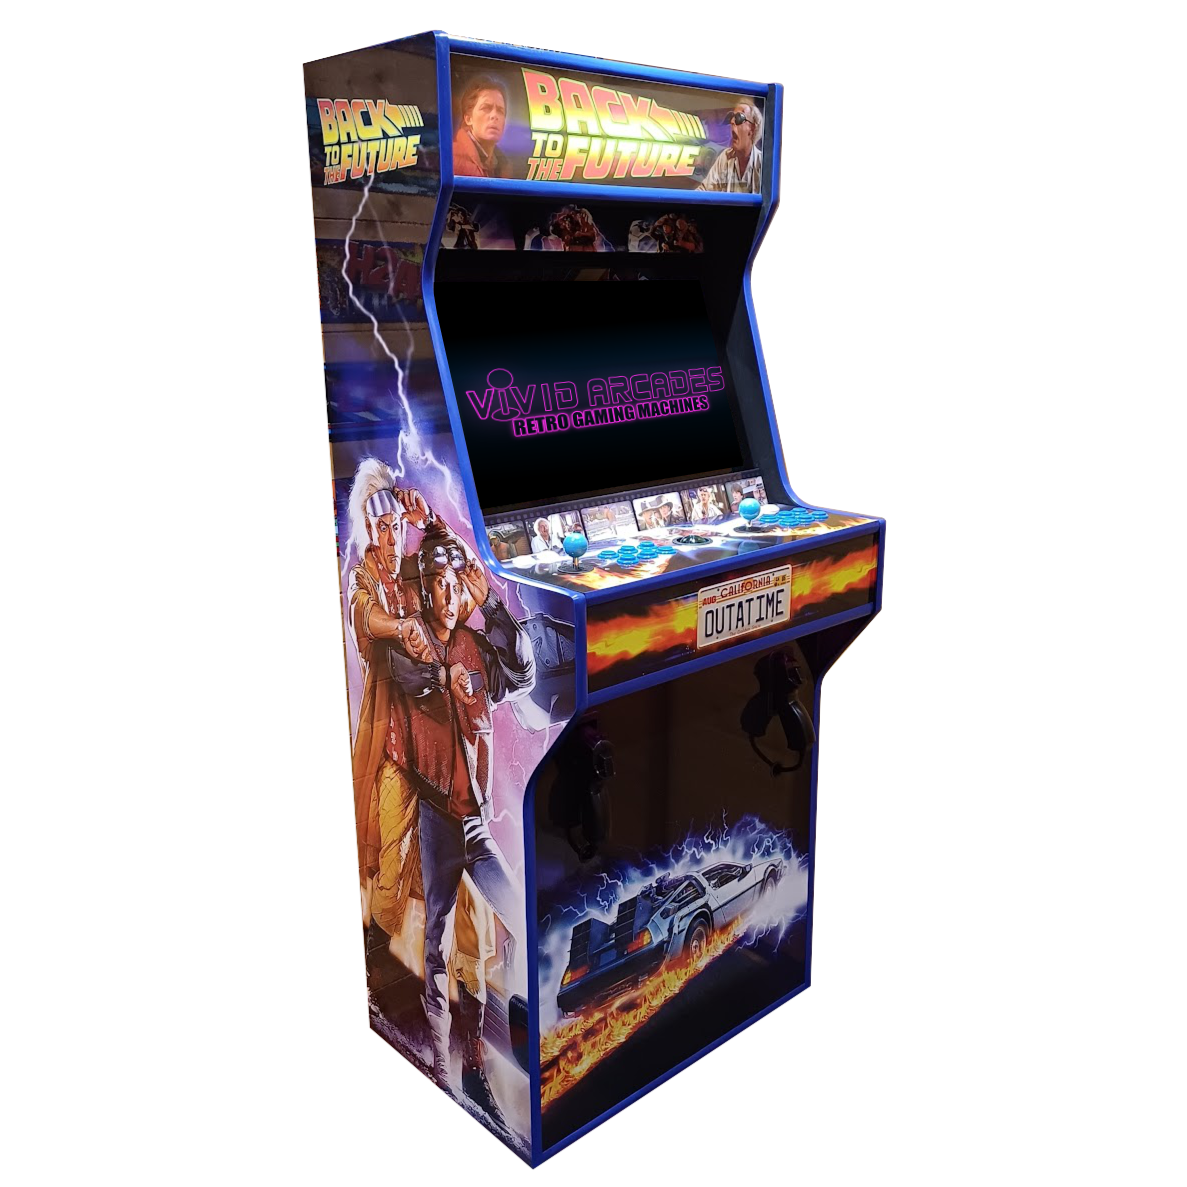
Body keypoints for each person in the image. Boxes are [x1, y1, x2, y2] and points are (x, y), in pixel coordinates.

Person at [345, 460, 499, 1101]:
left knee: (472, 917)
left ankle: (473, 1051)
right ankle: (374, 974)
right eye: (380, 525)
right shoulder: (366, 580)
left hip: (445, 773)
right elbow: (367, 617)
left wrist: (431, 519)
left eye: (395, 525)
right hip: (397, 754)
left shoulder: (416, 573)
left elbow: (460, 579)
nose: (390, 536)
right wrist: (400, 629)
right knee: (387, 866)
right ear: (367, 527)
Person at [395, 525, 536, 1126]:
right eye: (437, 585)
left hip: (475, 824)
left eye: (455, 585)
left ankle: (496, 1049)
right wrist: (441, 673)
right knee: (437, 946)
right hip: (436, 822)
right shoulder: (409, 644)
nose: (446, 596)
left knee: (523, 916)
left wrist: (494, 607)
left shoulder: (477, 647)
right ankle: (441, 1067)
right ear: (424, 588)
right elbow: (410, 676)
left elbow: (523, 674)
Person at [698, 101, 763, 194]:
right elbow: (704, 190)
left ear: (752, 129)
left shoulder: (762, 163)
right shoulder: (725, 157)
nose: (732, 121)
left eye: (739, 118)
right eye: (732, 117)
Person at [454, 76, 512, 179]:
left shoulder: (502, 166)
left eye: (500, 111)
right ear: (468, 119)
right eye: (486, 108)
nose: (494, 116)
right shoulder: (452, 158)